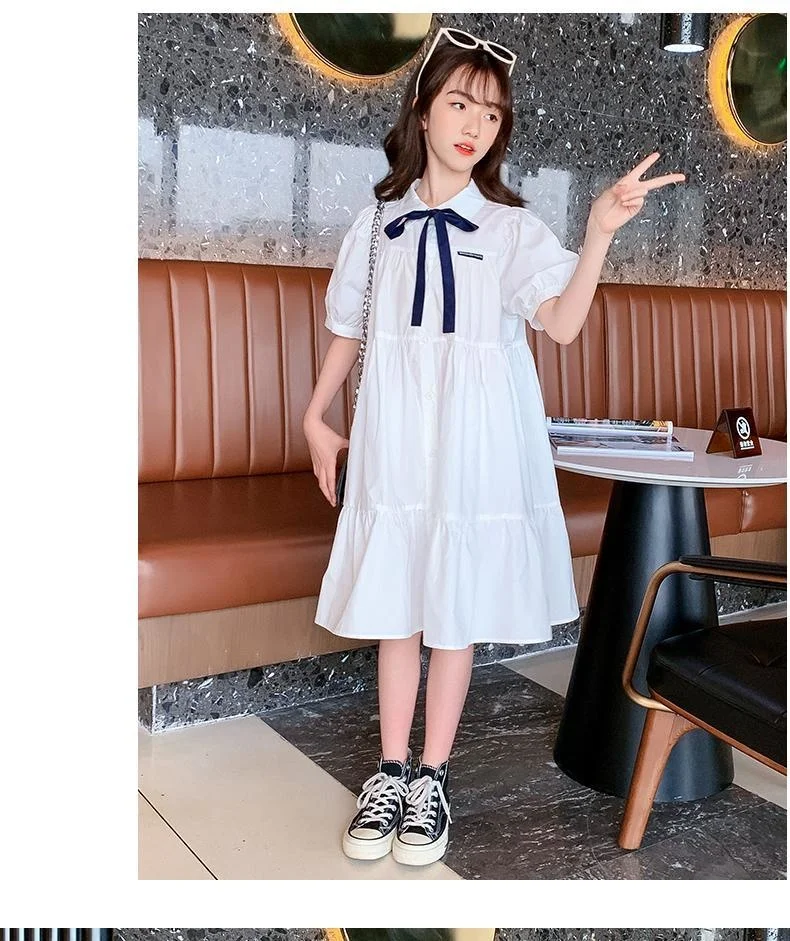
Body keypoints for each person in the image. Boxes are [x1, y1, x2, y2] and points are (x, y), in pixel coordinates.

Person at [302, 26, 685, 867]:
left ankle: (431, 777)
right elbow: (348, 328)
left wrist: (598, 234)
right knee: (395, 603)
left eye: (492, 112)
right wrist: (316, 415)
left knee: (453, 605)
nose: (475, 125)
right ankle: (389, 771)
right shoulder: (376, 224)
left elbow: (563, 324)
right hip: (395, 432)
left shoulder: (512, 229)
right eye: (460, 103)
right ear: (423, 109)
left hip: (473, 439)